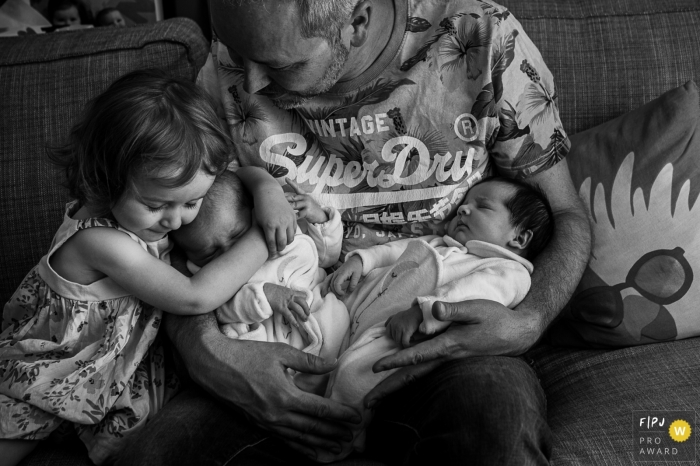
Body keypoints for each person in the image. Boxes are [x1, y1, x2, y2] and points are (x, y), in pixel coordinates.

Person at [119, 0, 592, 464]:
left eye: (278, 63)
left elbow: (566, 214)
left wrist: (529, 320)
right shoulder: (227, 71)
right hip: (280, 337)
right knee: (162, 451)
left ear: (357, 22)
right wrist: (207, 350)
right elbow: (172, 232)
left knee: (497, 417)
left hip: (432, 349)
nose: (250, 81)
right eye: (238, 53)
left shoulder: (481, 38)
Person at [0, 69, 299, 466]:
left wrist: (267, 190)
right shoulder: (101, 242)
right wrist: (265, 234)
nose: (177, 221)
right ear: (105, 179)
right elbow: (196, 297)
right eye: (157, 206)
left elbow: (230, 177)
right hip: (52, 366)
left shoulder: (161, 196)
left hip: (110, 373)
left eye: (192, 202)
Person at [321, 176, 553, 461]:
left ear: (519, 237)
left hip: (403, 340)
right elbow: (395, 250)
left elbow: (471, 294)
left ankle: (339, 437)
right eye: (462, 206)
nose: (463, 210)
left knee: (354, 378)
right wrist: (361, 261)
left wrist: (423, 311)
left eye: (482, 206)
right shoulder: (438, 243)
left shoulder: (508, 271)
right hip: (351, 318)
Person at [171, 173, 349, 378]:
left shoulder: (283, 237)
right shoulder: (205, 277)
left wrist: (319, 217)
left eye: (237, 236)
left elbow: (328, 258)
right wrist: (265, 295)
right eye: (210, 253)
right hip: (279, 358)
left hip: (332, 325)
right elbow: (220, 309)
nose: (231, 254)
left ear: (254, 215)